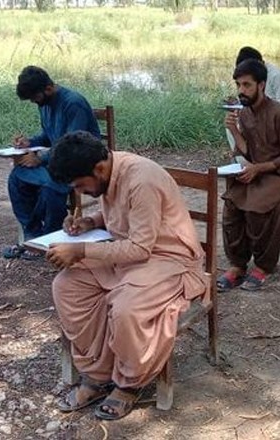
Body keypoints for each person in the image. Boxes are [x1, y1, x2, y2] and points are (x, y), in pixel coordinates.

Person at [45, 131, 208, 420]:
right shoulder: (109, 172)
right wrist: (89, 222)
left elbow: (140, 249)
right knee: (67, 285)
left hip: (169, 260)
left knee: (126, 308)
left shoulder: (141, 179)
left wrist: (80, 250)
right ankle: (97, 374)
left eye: (80, 186)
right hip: (129, 257)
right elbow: (120, 218)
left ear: (98, 169)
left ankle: (129, 383)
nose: (80, 192)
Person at [217, 59, 280, 291]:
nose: (241, 91)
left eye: (247, 85)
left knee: (256, 206)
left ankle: (263, 266)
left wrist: (258, 169)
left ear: (262, 85)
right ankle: (238, 265)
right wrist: (234, 131)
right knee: (232, 202)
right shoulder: (244, 114)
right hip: (261, 177)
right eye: (238, 85)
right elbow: (249, 151)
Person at [4, 65, 100, 260]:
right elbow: (48, 136)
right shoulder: (45, 104)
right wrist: (30, 143)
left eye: (35, 98)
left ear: (48, 89)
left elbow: (74, 144)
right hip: (58, 161)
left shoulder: (73, 103)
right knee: (17, 177)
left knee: (52, 186)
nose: (34, 102)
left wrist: (40, 158)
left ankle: (49, 236)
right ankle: (32, 233)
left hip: (78, 161)